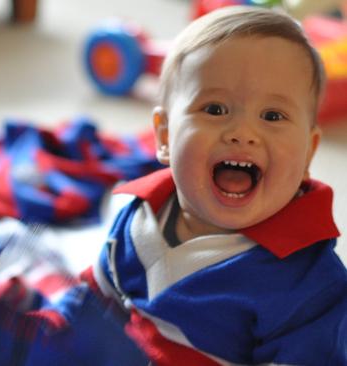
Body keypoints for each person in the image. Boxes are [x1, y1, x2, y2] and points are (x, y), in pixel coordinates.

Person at [83, 5, 347, 365]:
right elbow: (95, 300)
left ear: (307, 154)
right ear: (164, 135)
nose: (242, 133)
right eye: (215, 109)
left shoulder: (310, 284)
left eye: (272, 116)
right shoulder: (137, 213)